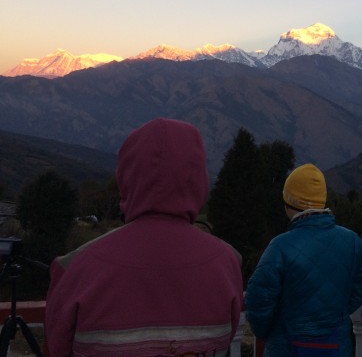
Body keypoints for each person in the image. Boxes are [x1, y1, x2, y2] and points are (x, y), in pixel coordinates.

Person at [44, 117, 244, 357]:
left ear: (126, 176)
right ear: (198, 179)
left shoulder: (74, 268)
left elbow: (57, 347)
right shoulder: (228, 262)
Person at [245, 163, 362, 357]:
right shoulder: (352, 242)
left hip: (288, 347)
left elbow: (257, 300)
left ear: (288, 202)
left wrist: (267, 332)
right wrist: (334, 315)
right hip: (335, 345)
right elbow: (360, 290)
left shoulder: (280, 246)